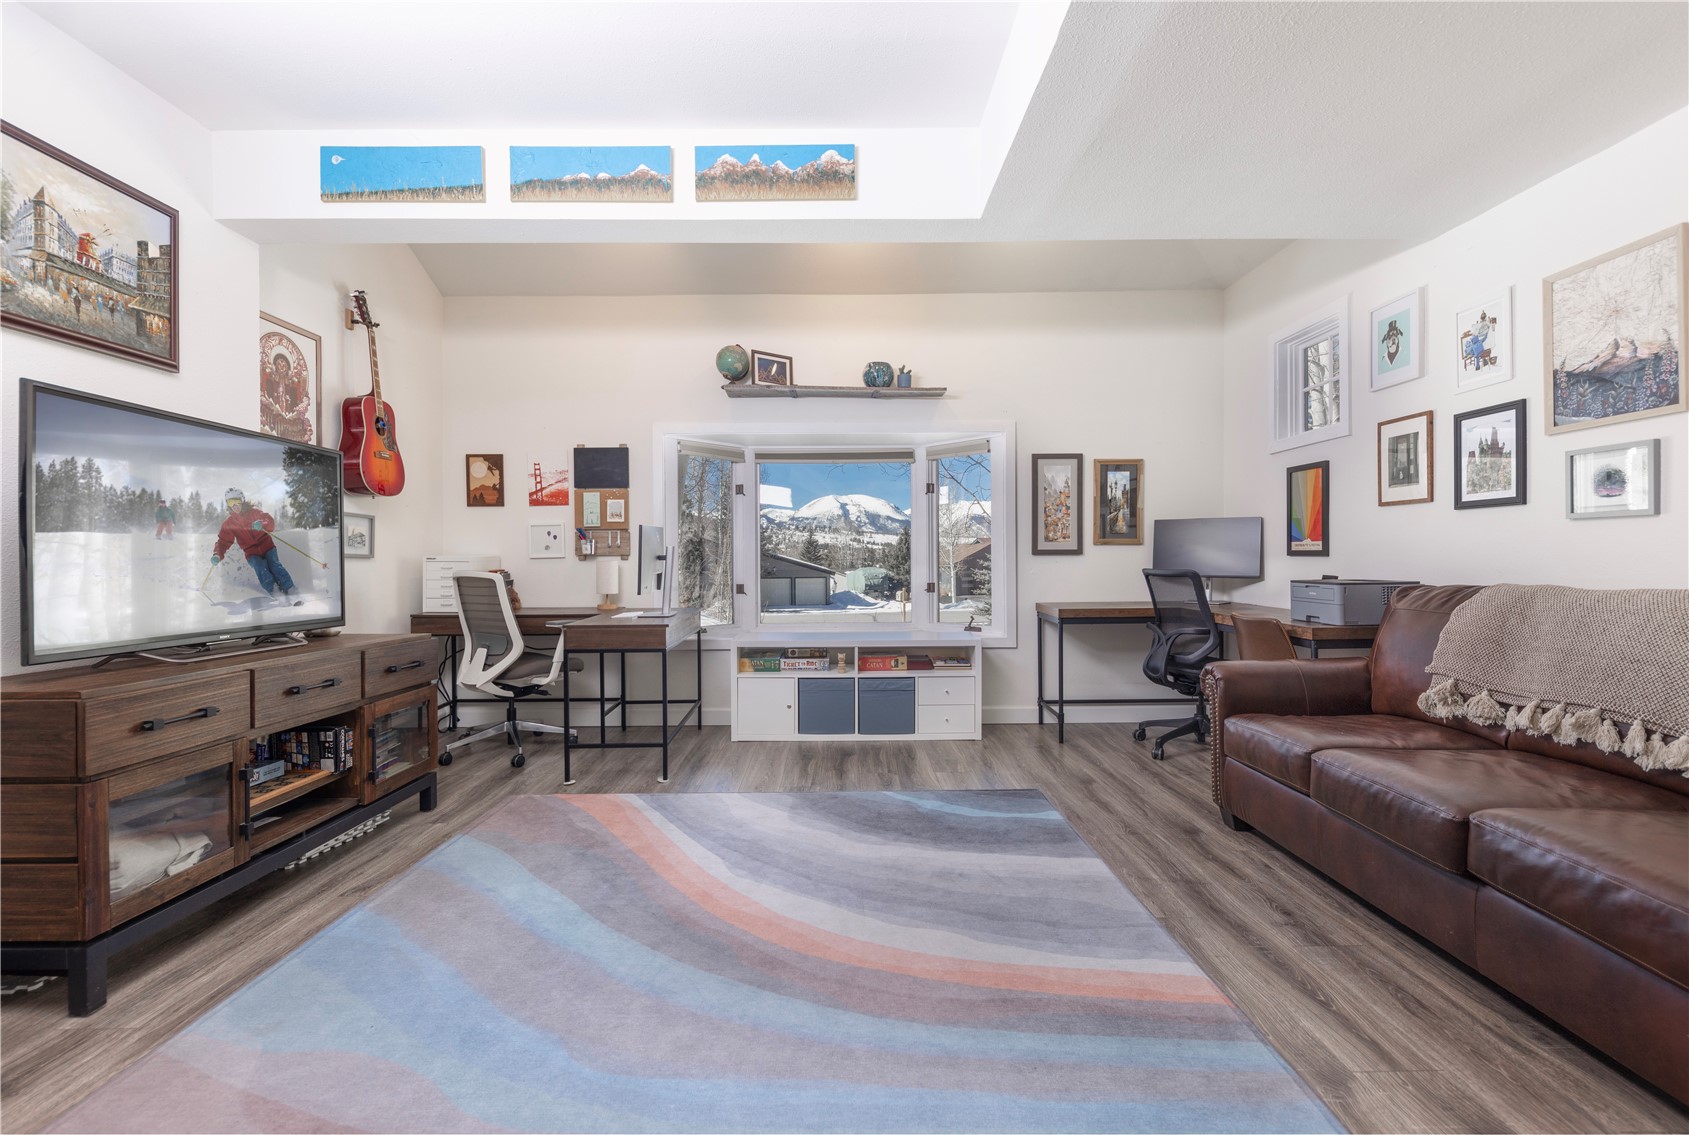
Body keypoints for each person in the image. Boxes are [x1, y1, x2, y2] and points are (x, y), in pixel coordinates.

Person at [210, 488, 299, 602]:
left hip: (267, 546)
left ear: (242, 500)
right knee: (260, 568)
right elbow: (223, 542)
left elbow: (270, 522)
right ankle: (274, 591)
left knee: (275, 566)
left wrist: (262, 524)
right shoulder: (229, 524)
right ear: (228, 505)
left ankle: (290, 589)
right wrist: (217, 554)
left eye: (237, 502)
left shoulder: (254, 513)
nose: (235, 506)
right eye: (230, 503)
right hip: (251, 553)